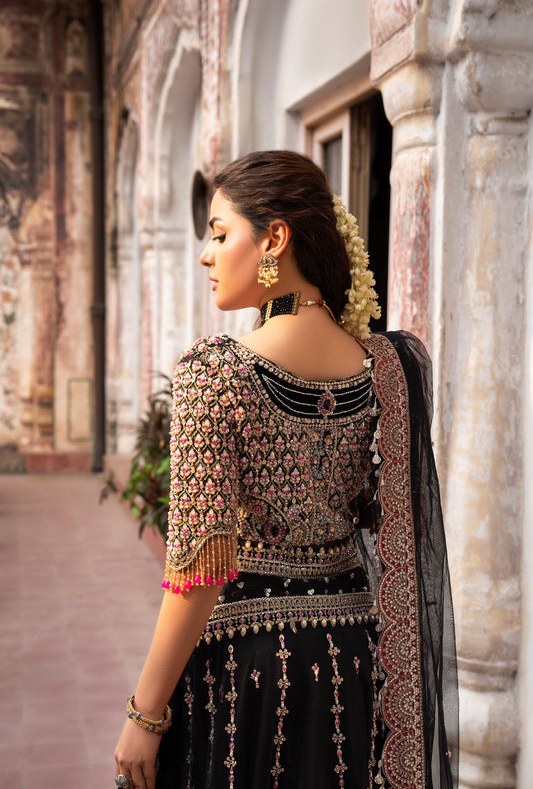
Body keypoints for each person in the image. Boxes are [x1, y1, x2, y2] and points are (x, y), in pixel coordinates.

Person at [114, 150, 458, 789]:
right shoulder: (388, 367)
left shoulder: (216, 373)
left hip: (247, 672)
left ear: (274, 237)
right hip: (354, 666)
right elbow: (394, 538)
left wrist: (146, 710)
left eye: (220, 234)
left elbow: (198, 570)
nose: (206, 254)